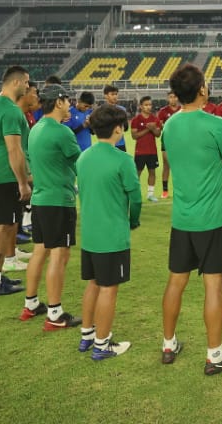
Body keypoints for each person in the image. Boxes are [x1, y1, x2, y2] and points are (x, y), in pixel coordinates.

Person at [160, 63, 222, 374]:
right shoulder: (217, 124)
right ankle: (215, 355)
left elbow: (171, 160)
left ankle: (168, 345)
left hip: (182, 218)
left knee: (176, 282)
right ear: (202, 90)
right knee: (214, 286)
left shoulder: (169, 125)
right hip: (213, 218)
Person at [76, 104, 142, 360]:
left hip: (90, 235)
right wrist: (133, 221)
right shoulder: (123, 160)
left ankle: (87, 335)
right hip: (112, 236)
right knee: (109, 288)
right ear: (118, 129)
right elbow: (135, 199)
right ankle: (102, 345)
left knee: (93, 283)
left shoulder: (83, 157)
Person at [21, 83, 83, 330]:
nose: (70, 105)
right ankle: (55, 314)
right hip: (59, 201)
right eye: (67, 100)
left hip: (41, 200)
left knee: (40, 250)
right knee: (59, 254)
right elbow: (79, 163)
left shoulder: (36, 129)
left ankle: (31, 303)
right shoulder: (61, 132)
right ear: (58, 102)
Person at [0, 66, 31, 298]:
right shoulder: (10, 110)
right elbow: (14, 149)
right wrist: (22, 182)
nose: (29, 87)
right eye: (27, 82)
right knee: (1, 228)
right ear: (16, 83)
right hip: (5, 176)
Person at [12, 81, 41, 251]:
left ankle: (18, 232)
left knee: (22, 202)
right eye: (34, 93)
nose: (36, 97)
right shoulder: (17, 115)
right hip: (19, 167)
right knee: (18, 202)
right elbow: (17, 147)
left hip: (28, 163)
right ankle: (11, 249)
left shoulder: (28, 114)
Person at [132, 96, 162, 202]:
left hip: (152, 151)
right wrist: (147, 129)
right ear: (141, 106)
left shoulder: (155, 119)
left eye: (150, 105)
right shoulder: (136, 120)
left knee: (152, 172)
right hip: (140, 151)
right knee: (137, 173)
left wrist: (154, 128)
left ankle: (150, 194)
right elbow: (134, 136)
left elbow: (158, 134)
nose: (148, 107)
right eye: (146, 105)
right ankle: (134, 194)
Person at [157, 91, 182, 198]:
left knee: (180, 166)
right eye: (171, 97)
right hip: (167, 141)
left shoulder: (182, 110)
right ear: (168, 99)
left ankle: (180, 190)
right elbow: (160, 126)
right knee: (166, 166)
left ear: (178, 98)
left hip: (181, 141)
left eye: (175, 97)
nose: (173, 99)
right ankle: (165, 190)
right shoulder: (163, 111)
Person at [103, 85, 128, 152]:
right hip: (107, 144)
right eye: (112, 94)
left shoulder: (122, 110)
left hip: (120, 144)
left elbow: (126, 128)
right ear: (105, 95)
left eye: (116, 94)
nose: (115, 96)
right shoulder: (101, 111)